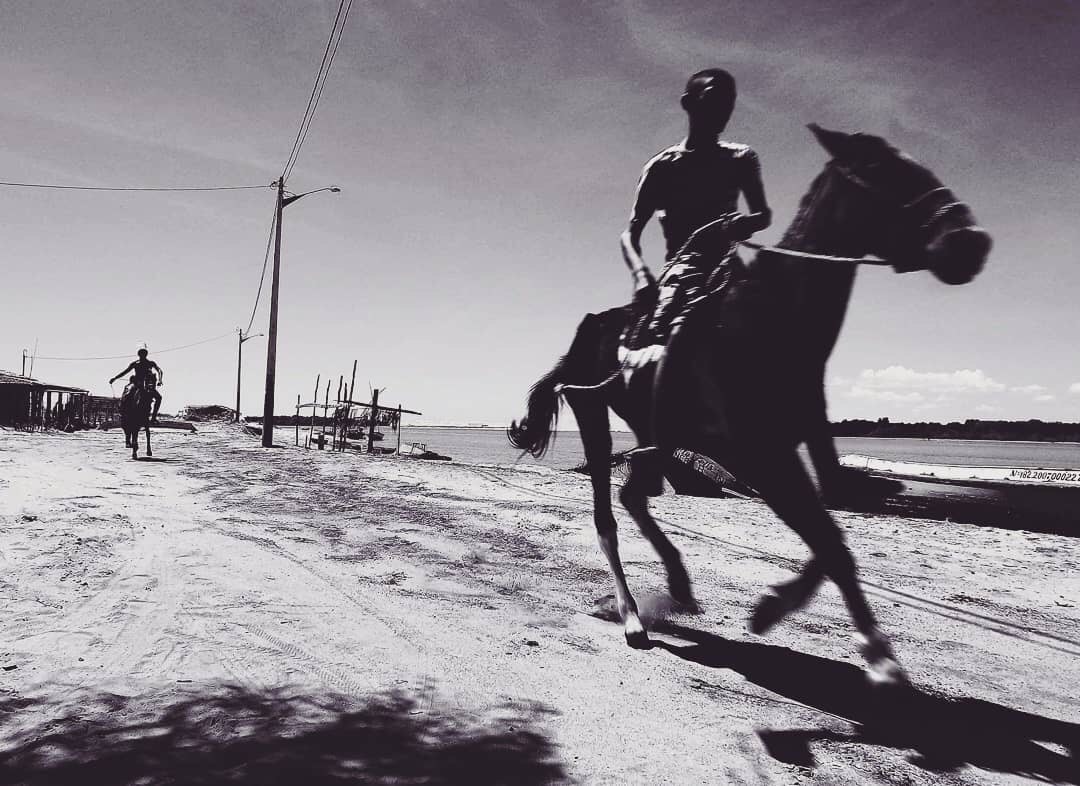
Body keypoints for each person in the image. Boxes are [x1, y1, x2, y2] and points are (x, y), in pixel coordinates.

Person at [619, 68, 772, 491]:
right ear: (688, 104)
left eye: (728, 103)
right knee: (672, 335)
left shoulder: (741, 158)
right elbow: (630, 232)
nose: (722, 111)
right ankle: (660, 442)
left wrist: (743, 223)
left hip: (728, 265)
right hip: (682, 268)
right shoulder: (662, 167)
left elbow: (763, 214)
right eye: (712, 101)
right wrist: (641, 275)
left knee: (780, 331)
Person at [110, 345, 163, 423]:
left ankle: (153, 417)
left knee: (159, 398)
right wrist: (115, 378)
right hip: (137, 384)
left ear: (146, 355)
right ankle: (124, 412)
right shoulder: (135, 364)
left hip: (147, 386)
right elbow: (125, 372)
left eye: (144, 354)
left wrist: (160, 380)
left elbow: (159, 370)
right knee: (127, 395)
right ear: (139, 355)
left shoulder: (150, 363)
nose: (143, 356)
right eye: (141, 354)